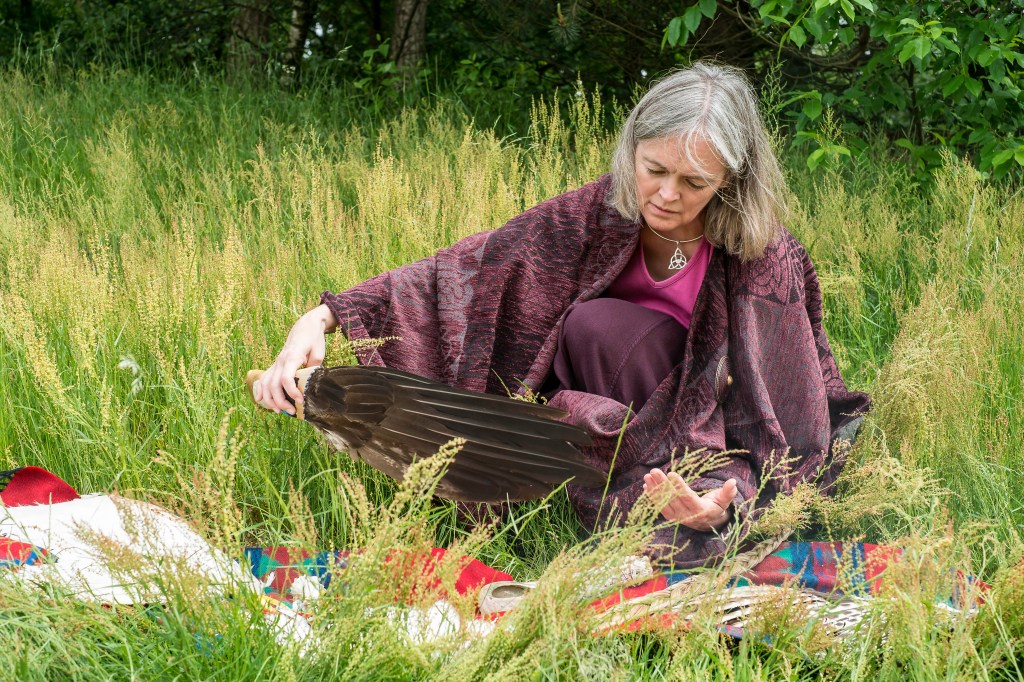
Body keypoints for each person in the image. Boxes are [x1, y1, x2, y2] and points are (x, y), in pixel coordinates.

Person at [254, 62, 871, 569]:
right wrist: (321, 318)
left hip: (710, 426)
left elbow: (781, 405)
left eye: (693, 182)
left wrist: (730, 496)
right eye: (654, 169)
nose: (666, 195)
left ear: (731, 180)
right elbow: (469, 267)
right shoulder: (599, 213)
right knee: (595, 328)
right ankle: (616, 486)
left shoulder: (763, 258)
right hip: (604, 407)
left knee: (689, 501)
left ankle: (678, 506)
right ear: (631, 152)